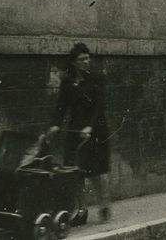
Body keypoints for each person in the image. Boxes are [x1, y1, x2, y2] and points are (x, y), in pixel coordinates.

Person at [48, 43, 110, 223]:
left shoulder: (97, 79)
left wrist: (90, 127)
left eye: (87, 58)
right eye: (82, 59)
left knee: (96, 170)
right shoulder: (67, 82)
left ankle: (103, 203)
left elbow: (99, 106)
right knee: (75, 171)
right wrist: (55, 125)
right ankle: (82, 210)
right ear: (74, 63)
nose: (86, 61)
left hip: (95, 129)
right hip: (76, 130)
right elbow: (61, 106)